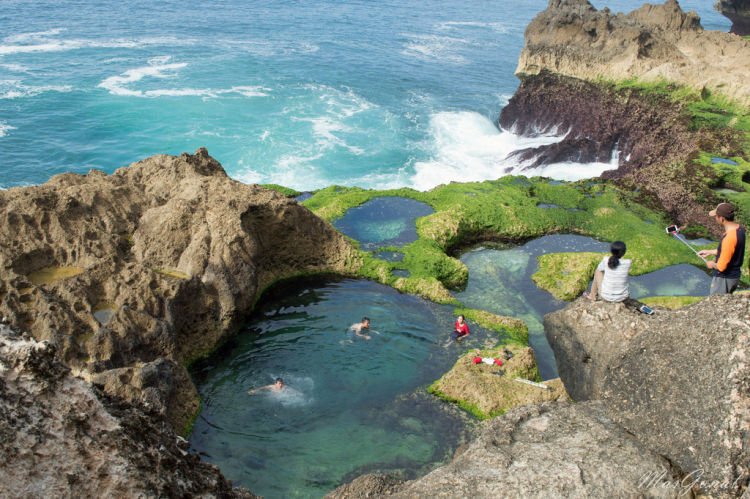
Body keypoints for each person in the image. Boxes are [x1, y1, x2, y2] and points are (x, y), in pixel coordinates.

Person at [698, 202, 745, 295]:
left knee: (715, 305)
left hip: (724, 279)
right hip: (734, 276)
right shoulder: (739, 229)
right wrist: (709, 252)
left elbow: (721, 267)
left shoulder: (729, 238)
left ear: (722, 218)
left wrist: (711, 264)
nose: (715, 218)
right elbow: (730, 251)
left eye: (716, 216)